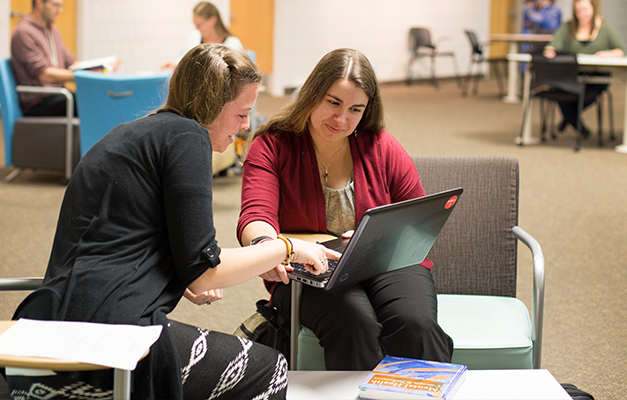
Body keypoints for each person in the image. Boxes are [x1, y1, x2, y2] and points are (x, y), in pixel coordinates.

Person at [5, 44, 337, 400]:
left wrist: (178, 272)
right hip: (112, 340)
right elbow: (205, 271)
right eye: (242, 114)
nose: (244, 128)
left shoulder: (138, 135)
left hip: (47, 325)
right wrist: (285, 247)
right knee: (271, 370)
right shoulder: (187, 138)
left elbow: (124, 240)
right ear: (211, 103)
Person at [237, 48, 454, 371]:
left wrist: (375, 238)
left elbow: (417, 219)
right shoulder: (272, 145)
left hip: (383, 260)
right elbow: (256, 216)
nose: (342, 120)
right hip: (306, 270)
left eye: (355, 109)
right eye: (333, 103)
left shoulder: (380, 144)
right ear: (311, 95)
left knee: (416, 324)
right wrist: (264, 247)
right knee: (355, 323)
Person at [543, 0, 626, 135]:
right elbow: (553, 45)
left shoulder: (604, 28)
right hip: (572, 75)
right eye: (578, 11)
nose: (582, 14)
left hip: (596, 75)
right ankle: (577, 124)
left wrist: (609, 53)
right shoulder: (568, 26)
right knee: (558, 89)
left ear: (593, 9)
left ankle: (569, 117)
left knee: (589, 93)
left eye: (585, 10)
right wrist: (550, 51)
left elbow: (622, 50)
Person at [11, 0, 77, 116]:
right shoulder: (24, 32)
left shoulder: (52, 31)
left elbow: (70, 62)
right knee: (86, 103)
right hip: (39, 103)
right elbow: (45, 75)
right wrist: (79, 76)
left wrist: (94, 69)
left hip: (57, 95)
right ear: (39, 3)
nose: (60, 11)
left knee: (91, 97)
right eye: (55, 5)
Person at [161, 1, 243, 70]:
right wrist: (173, 64)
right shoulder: (195, 37)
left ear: (212, 20)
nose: (197, 28)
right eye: (195, 24)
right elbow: (187, 58)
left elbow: (235, 69)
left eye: (200, 24)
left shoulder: (232, 43)